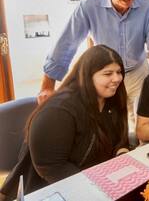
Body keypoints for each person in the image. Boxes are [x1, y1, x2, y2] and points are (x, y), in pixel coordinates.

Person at [38, 0, 149, 132]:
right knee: (107, 127)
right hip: (104, 76)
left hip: (137, 73)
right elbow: (67, 43)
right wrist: (47, 85)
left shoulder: (148, 8)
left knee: (143, 128)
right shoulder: (89, 6)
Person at [0, 45, 129, 200]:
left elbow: (120, 137)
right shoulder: (59, 111)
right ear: (87, 76)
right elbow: (51, 166)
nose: (117, 79)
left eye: (119, 72)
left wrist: (122, 154)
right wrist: (94, 189)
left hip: (96, 181)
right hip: (51, 190)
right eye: (108, 73)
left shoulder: (112, 101)